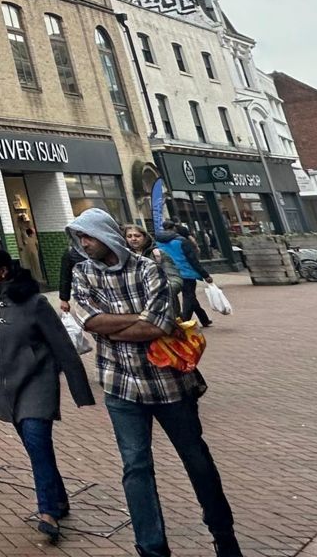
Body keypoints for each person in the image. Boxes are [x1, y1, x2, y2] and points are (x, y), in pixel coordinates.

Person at [69, 209, 242, 557]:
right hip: (119, 385)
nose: (84, 244)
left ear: (107, 235)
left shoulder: (148, 267)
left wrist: (113, 324)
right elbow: (89, 321)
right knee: (135, 467)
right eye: (80, 238)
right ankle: (151, 549)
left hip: (168, 383)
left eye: (88, 236)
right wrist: (137, 319)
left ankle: (224, 534)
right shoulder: (81, 272)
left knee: (196, 458)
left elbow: (159, 325)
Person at [0, 245, 94, 543]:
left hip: (37, 381)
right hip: (4, 386)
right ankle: (59, 498)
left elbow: (61, 343)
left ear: (4, 270)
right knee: (35, 448)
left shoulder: (33, 302)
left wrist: (79, 388)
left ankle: (47, 512)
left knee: (37, 441)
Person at [153, 226, 213, 329]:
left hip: (169, 274)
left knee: (190, 297)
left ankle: (204, 319)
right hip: (186, 273)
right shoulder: (181, 241)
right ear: (174, 229)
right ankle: (184, 321)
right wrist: (205, 275)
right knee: (189, 297)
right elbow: (192, 259)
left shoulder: (156, 243)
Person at [125, 224, 182, 307]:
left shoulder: (157, 254)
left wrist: (162, 294)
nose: (133, 239)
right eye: (129, 236)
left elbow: (175, 279)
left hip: (164, 306)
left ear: (145, 237)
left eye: (137, 236)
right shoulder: (124, 257)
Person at [57, 242, 87, 313]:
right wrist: (64, 300)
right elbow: (65, 277)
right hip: (83, 294)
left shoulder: (100, 251)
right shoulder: (70, 253)